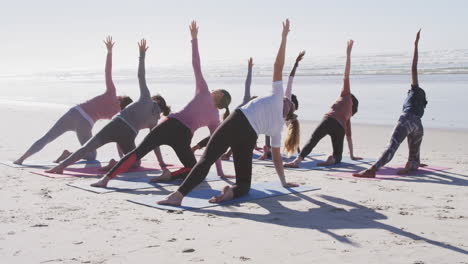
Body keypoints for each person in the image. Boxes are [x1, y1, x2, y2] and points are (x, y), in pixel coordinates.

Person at [157, 19, 299, 206]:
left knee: (206, 160)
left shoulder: (276, 95)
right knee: (244, 185)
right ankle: (231, 192)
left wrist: (284, 37)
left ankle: (177, 196)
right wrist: (283, 182)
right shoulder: (278, 128)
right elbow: (277, 158)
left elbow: (278, 65)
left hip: (237, 121)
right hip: (249, 136)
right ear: (287, 116)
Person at [90, 21, 232, 188]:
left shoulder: (204, 92)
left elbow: (196, 63)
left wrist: (194, 39)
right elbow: (214, 147)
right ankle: (169, 175)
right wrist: (221, 173)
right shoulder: (215, 118)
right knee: (193, 169)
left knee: (137, 153)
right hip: (183, 136)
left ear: (220, 94)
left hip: (168, 125)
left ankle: (106, 179)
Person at [45, 39, 170, 174]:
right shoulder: (154, 121)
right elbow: (154, 144)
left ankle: (60, 167)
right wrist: (161, 162)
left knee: (87, 147)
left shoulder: (145, 98)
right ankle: (114, 164)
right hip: (128, 135)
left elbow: (141, 76)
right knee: (135, 162)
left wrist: (142, 55)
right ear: (161, 110)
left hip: (116, 123)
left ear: (154, 100)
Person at [14, 36, 131, 165]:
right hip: (85, 123)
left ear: (121, 99)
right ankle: (68, 155)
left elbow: (107, 72)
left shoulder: (111, 93)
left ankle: (21, 159)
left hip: (74, 112)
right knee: (91, 156)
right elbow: (118, 138)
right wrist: (121, 157)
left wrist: (109, 52)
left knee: (47, 138)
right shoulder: (118, 114)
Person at [354, 30, 427, 178]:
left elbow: (414, 68)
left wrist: (416, 45)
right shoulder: (421, 103)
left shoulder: (415, 90)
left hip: (407, 120)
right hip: (418, 125)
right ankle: (412, 164)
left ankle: (372, 170)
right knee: (414, 155)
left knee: (392, 146)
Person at [284, 40, 362, 168]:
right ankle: (333, 159)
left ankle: (297, 161)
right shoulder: (348, 117)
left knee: (313, 139)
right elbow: (349, 138)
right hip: (340, 128)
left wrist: (348, 54)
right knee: (338, 155)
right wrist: (352, 156)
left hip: (328, 119)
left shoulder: (346, 95)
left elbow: (346, 74)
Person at [191, 57, 257, 159]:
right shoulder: (247, 103)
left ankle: (197, 148)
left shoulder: (250, 109)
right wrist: (249, 70)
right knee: (226, 137)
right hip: (231, 127)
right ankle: (202, 149)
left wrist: (249, 69)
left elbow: (247, 85)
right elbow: (247, 84)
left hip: (228, 126)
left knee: (218, 137)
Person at [259, 51, 304, 160]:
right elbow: (290, 79)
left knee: (268, 130)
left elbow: (290, 79)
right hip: (278, 118)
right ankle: (299, 152)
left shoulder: (284, 97)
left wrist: (296, 63)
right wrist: (296, 64)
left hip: (275, 118)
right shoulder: (287, 101)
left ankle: (268, 151)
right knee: (291, 131)